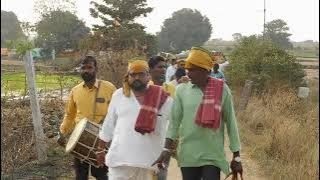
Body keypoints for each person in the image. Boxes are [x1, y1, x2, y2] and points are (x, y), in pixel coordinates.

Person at [152, 47, 243, 180]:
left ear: (205, 70)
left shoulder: (222, 89)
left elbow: (231, 123)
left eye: (193, 70)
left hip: (212, 154)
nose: (188, 74)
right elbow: (174, 123)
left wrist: (237, 156)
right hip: (188, 154)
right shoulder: (181, 90)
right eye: (188, 70)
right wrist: (166, 149)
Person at [96, 60, 173, 180]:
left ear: (148, 76)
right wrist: (100, 150)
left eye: (141, 74)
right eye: (133, 74)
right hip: (120, 160)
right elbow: (108, 125)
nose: (137, 77)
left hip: (148, 162)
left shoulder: (162, 98)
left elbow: (173, 126)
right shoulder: (119, 95)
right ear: (128, 77)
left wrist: (167, 149)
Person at [58, 56, 116, 180]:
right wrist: (62, 132)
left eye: (89, 67)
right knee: (80, 175)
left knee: (101, 175)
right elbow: (69, 115)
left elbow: (117, 112)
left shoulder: (109, 88)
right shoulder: (75, 91)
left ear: (96, 69)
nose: (86, 71)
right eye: (83, 68)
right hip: (81, 139)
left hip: (102, 140)